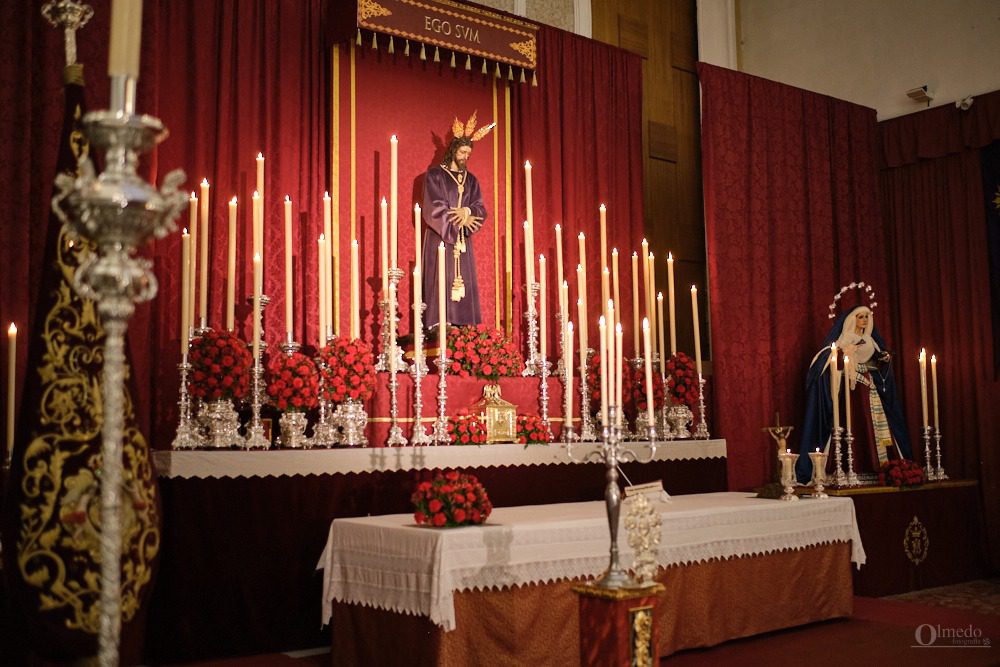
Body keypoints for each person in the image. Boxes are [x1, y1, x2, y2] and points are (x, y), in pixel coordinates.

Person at [796, 304, 913, 483]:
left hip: (868, 386)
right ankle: (851, 467)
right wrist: (846, 355)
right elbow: (831, 356)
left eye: (866, 317)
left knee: (873, 423)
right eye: (860, 316)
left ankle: (877, 466)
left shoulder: (870, 340)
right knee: (854, 420)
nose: (864, 320)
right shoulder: (847, 337)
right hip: (852, 389)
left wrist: (883, 360)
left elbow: (876, 363)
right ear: (853, 319)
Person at [422, 112, 494, 330]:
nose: (465, 157)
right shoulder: (435, 175)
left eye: (468, 154)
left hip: (463, 240)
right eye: (462, 152)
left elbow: (480, 208)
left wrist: (468, 211)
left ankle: (464, 327)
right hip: (441, 237)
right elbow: (433, 207)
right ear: (453, 150)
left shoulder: (471, 181)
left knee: (464, 279)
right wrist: (457, 220)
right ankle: (439, 323)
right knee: (441, 278)